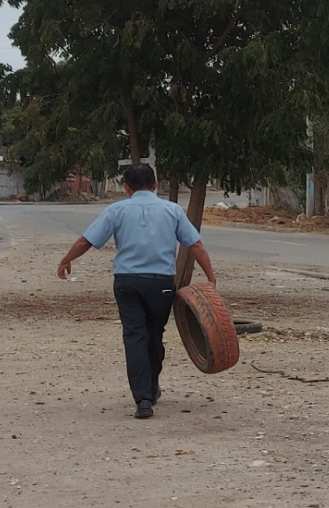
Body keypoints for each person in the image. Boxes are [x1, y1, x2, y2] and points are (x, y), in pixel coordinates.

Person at [56, 163, 214, 418]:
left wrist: (66, 260)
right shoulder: (172, 210)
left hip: (127, 283)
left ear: (126, 187)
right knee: (154, 334)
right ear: (155, 185)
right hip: (161, 283)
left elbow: (86, 240)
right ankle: (151, 387)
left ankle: (143, 399)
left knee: (135, 336)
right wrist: (210, 277)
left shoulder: (116, 210)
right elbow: (195, 245)